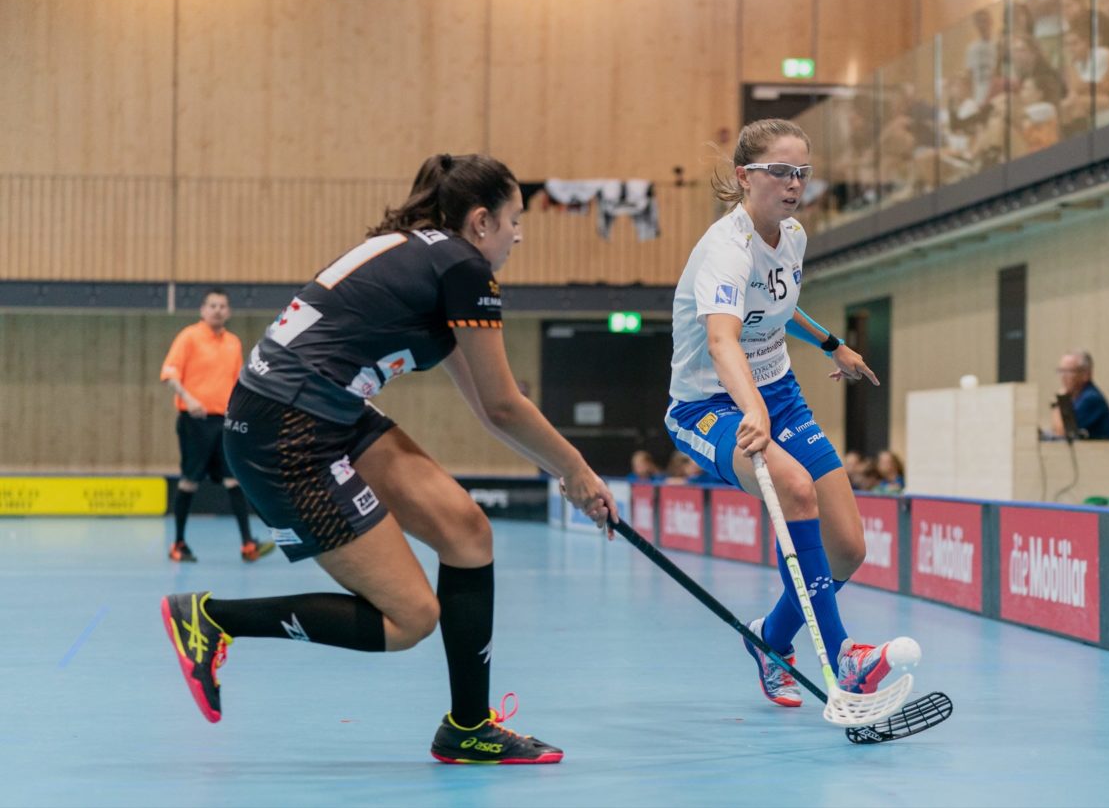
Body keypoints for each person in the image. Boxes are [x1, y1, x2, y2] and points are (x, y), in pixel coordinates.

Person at [159, 153, 617, 765]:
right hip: (285, 433)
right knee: (410, 619)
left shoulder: (424, 251)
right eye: (514, 219)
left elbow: (488, 405)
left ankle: (468, 727)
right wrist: (577, 471)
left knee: (466, 532)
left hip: (323, 412)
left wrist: (566, 471)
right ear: (480, 222)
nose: (519, 234)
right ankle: (212, 619)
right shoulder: (463, 266)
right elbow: (506, 405)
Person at [664, 118, 919, 709]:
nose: (793, 183)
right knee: (796, 489)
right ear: (744, 176)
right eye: (780, 171)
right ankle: (844, 658)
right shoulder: (725, 252)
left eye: (801, 172)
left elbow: (779, 307)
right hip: (709, 406)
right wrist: (751, 407)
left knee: (848, 549)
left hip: (778, 393)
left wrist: (834, 345)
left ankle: (771, 639)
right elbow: (724, 339)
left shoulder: (794, 235)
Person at [160, 288, 274, 563]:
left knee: (234, 479)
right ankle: (178, 544)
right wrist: (189, 398)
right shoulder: (189, 337)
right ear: (203, 310)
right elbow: (170, 373)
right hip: (195, 421)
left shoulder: (233, 343)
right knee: (189, 481)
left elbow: (238, 382)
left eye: (223, 306)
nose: (218, 310)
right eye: (212, 305)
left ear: (228, 311)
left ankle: (248, 544)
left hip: (224, 422)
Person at [1051, 349, 1109, 440]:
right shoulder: (1079, 397)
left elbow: (1063, 433)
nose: (1063, 376)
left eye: (1069, 371)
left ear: (1085, 375)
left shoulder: (1091, 399)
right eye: (1061, 371)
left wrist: (1060, 401)